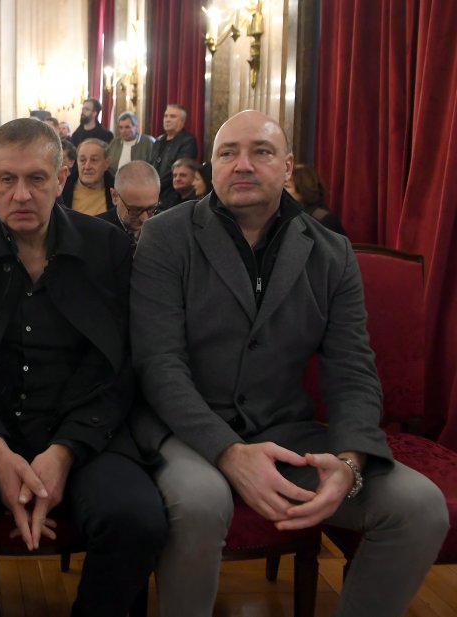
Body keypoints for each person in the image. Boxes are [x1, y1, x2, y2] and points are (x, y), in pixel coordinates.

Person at [130, 110, 448, 617]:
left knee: (420, 507)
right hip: (186, 430)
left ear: (286, 165)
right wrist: (229, 452)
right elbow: (158, 363)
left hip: (285, 432)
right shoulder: (167, 235)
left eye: (261, 151)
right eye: (228, 153)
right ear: (212, 167)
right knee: (201, 502)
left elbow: (353, 370)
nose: (243, 164)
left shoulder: (331, 252)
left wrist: (350, 463)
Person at [0, 117, 166, 617]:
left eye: (36, 178)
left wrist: (65, 450)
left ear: (62, 177)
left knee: (136, 517)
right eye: (6, 179)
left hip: (83, 428)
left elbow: (119, 367)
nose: (21, 195)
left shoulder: (108, 248)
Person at [98, 160, 160, 249]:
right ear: (114, 196)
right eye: (135, 210)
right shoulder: (95, 232)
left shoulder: (166, 227)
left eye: (151, 209)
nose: (144, 219)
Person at [149, 104, 198, 206]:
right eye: (166, 116)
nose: (167, 119)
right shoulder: (159, 140)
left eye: (172, 116)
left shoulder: (188, 141)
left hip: (173, 193)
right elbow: (151, 165)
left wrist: (155, 186)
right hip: (153, 191)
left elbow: (179, 171)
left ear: (182, 121)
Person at [286, 163, 346, 235]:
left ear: (303, 188)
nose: (282, 190)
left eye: (287, 186)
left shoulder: (323, 219)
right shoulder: (287, 213)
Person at [61, 138, 114, 216]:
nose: (87, 166)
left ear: (107, 163)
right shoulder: (61, 191)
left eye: (94, 160)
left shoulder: (118, 193)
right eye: (82, 160)